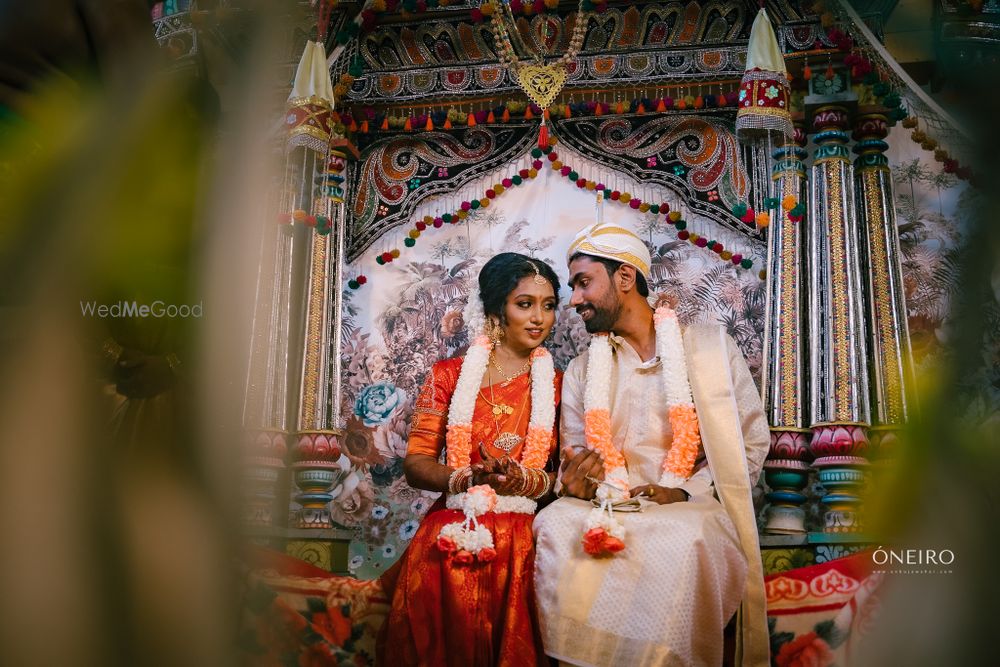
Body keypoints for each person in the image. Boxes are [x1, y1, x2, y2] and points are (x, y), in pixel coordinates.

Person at [532, 223, 770, 666]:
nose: (575, 300)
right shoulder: (586, 368)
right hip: (606, 503)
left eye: (584, 283)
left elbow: (750, 440)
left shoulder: (707, 349)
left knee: (686, 535)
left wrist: (683, 492)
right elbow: (577, 450)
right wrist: (578, 481)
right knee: (555, 525)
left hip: (688, 503)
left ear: (625, 277)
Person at [378, 252, 564, 667]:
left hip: (526, 539)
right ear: (498, 308)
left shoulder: (559, 384)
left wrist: (523, 480)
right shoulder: (448, 375)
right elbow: (416, 463)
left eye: (548, 305)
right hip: (454, 527)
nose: (539, 318)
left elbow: (563, 477)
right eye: (525, 304)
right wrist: (465, 477)